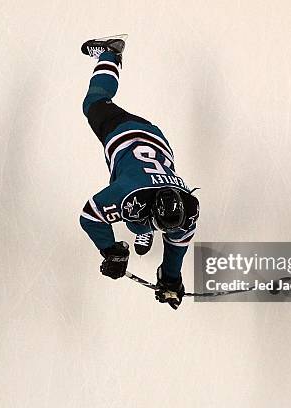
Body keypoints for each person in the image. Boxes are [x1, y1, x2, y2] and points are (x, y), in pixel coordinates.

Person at [79, 34, 199, 310]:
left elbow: (177, 242)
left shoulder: (187, 210)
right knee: (94, 102)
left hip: (157, 141)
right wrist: (112, 251)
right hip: (126, 133)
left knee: (138, 218)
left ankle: (143, 229)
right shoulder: (127, 197)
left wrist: (170, 278)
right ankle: (111, 52)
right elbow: (89, 216)